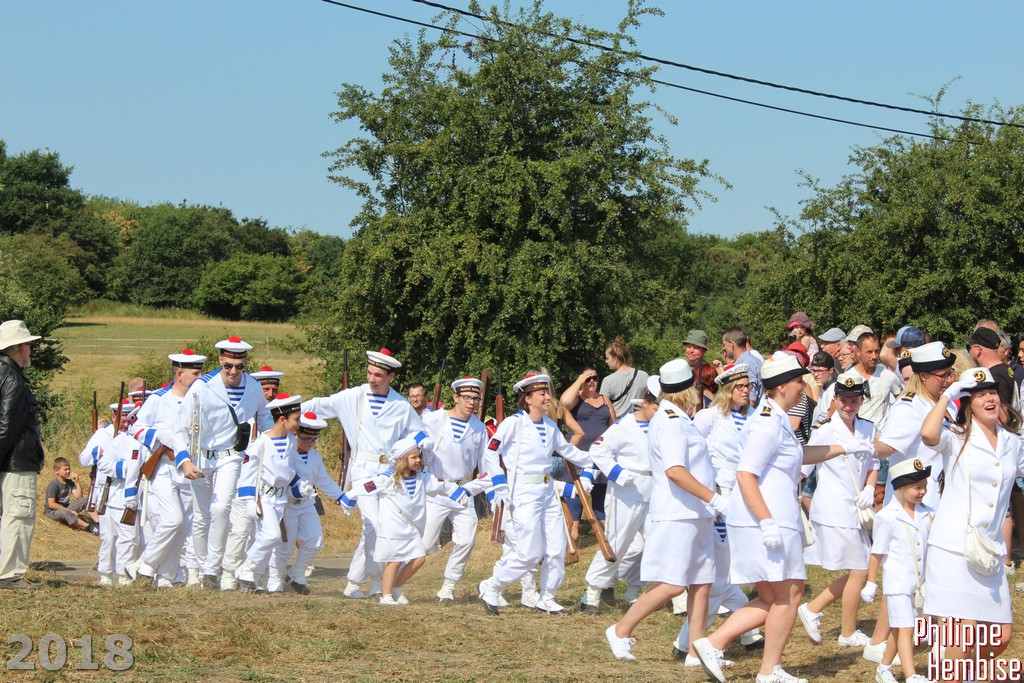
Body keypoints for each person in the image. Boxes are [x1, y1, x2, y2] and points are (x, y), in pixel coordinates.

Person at [692, 353, 872, 683]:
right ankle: (763, 667)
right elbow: (746, 474)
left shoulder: (775, 418)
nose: (804, 387)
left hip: (769, 518)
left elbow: (799, 455)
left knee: (774, 598)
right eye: (799, 382)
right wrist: (766, 522)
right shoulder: (767, 422)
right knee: (789, 596)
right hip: (767, 519)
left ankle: (716, 645)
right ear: (782, 386)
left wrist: (845, 448)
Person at [605, 360, 722, 662]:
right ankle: (620, 630)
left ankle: (696, 652)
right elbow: (675, 471)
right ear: (688, 390)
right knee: (672, 583)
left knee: (701, 583)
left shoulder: (677, 418)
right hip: (678, 512)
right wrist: (715, 499)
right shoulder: (671, 421)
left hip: (694, 511)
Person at [301, 348, 428, 599]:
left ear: (390, 376)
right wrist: (284, 414)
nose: (372, 379)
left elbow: (418, 432)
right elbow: (319, 405)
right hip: (362, 470)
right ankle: (369, 580)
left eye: (378, 375)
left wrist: (415, 447)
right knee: (374, 525)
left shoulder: (401, 405)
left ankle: (361, 582)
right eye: (369, 373)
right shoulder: (352, 396)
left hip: (390, 473)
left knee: (382, 528)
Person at [919, 366, 1022, 674]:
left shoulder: (1012, 442)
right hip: (953, 549)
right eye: (979, 396)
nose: (989, 399)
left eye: (992, 393)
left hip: (989, 552)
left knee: (1000, 636)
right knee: (961, 636)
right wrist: (948, 395)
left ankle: (961, 673)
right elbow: (928, 434)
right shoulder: (955, 436)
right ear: (968, 404)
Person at [477, 372, 594, 615]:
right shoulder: (513, 423)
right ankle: (492, 586)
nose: (547, 397)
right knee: (529, 553)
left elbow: (568, 451)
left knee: (556, 549)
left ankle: (547, 598)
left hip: (547, 491)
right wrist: (499, 482)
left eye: (547, 392)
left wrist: (597, 461)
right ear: (528, 399)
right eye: (542, 394)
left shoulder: (550, 425)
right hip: (524, 493)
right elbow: (491, 451)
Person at [173, 336, 272, 590]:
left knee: (221, 508)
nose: (233, 371)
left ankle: (211, 570)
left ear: (245, 363)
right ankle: (200, 566)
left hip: (231, 455)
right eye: (228, 365)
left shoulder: (253, 386)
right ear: (220, 360)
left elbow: (264, 415)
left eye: (239, 366)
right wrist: (184, 461)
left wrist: (268, 442)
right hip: (201, 455)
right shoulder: (202, 386)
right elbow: (180, 428)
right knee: (201, 516)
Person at [797, 372, 878, 649]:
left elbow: (873, 464)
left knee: (861, 569)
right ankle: (846, 631)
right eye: (844, 400)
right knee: (860, 570)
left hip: (858, 507)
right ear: (835, 399)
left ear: (861, 401)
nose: (848, 406)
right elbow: (804, 468)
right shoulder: (824, 430)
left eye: (854, 401)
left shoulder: (868, 428)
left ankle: (813, 609)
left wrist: (870, 488)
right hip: (833, 508)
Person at [343, 437, 470, 605]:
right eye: (414, 457)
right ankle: (386, 596)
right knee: (394, 561)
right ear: (401, 459)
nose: (418, 460)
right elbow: (367, 487)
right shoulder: (387, 479)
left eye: (419, 456)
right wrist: (349, 497)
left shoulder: (423, 478)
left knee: (419, 559)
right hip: (392, 529)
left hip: (412, 529)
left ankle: (395, 586)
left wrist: (457, 492)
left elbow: (441, 484)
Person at [124, 348, 206, 588]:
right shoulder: (158, 399)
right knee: (172, 520)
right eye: (195, 374)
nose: (200, 378)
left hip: (190, 468)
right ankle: (145, 564)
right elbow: (135, 428)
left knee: (184, 527)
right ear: (180, 374)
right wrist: (159, 435)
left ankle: (166, 576)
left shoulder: (201, 399)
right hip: (164, 467)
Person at [579, 383, 658, 614]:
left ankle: (633, 589)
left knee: (649, 545)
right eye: (656, 408)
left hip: (654, 491)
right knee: (616, 543)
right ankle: (592, 592)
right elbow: (598, 449)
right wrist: (618, 473)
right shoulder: (624, 425)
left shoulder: (662, 425)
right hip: (626, 492)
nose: (658, 414)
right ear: (645, 402)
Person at [861, 458, 934, 683]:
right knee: (906, 629)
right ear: (901, 488)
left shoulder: (929, 513)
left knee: (900, 627)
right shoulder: (887, 516)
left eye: (924, 486)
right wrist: (871, 582)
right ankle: (911, 675)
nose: (922, 491)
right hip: (898, 584)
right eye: (917, 487)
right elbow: (877, 552)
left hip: (920, 584)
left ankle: (883, 668)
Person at [420, 376, 491, 604]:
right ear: (455, 398)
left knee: (466, 541)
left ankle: (448, 587)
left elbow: (486, 468)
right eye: (467, 398)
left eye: (476, 399)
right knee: (424, 543)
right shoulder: (434, 419)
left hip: (463, 493)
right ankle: (394, 581)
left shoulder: (480, 429)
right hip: (437, 490)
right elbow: (411, 435)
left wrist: (472, 489)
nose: (472, 403)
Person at [268, 410, 343, 594]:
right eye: (306, 439)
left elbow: (323, 479)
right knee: (284, 547)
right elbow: (280, 475)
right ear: (296, 433)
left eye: (314, 439)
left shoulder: (314, 456)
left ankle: (297, 573)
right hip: (286, 504)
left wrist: (341, 497)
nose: (310, 443)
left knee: (315, 541)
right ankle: (274, 579)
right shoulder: (286, 451)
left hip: (306, 503)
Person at [234, 393, 304, 593]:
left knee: (266, 540)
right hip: (264, 497)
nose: (299, 424)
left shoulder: (291, 441)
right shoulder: (260, 443)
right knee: (271, 535)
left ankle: (251, 581)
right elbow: (248, 473)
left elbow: (287, 470)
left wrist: (299, 486)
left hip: (281, 498)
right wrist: (249, 500)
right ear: (282, 419)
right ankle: (246, 569)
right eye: (296, 419)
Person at [0, 320, 45, 590]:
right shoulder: (14, 380)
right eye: (27, 344)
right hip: (16, 461)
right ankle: (10, 574)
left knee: (10, 515)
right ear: (18, 348)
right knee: (19, 516)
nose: (29, 350)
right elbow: (7, 426)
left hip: (7, 460)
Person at [851, 332, 902, 426]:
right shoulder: (848, 378)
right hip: (858, 432)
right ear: (857, 351)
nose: (874, 356)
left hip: (883, 433)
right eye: (869, 352)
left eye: (877, 351)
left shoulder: (889, 376)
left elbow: (902, 402)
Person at [43, 457, 98, 535]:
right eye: (65, 469)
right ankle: (90, 527)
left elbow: (79, 497)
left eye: (69, 469)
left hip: (65, 508)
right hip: (53, 512)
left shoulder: (69, 482)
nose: (68, 471)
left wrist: (77, 482)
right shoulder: (53, 485)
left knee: (86, 500)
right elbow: (51, 504)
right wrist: (69, 511)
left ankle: (98, 523)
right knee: (64, 512)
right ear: (56, 471)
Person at [600, 337, 650, 418]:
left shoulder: (608, 381)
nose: (606, 361)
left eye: (607, 358)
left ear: (615, 359)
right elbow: (648, 401)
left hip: (617, 422)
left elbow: (603, 408)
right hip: (639, 421)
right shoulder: (644, 376)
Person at [721, 327, 763, 405]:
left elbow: (751, 399)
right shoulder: (751, 361)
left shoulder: (747, 364)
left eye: (724, 345)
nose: (724, 348)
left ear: (732, 344)